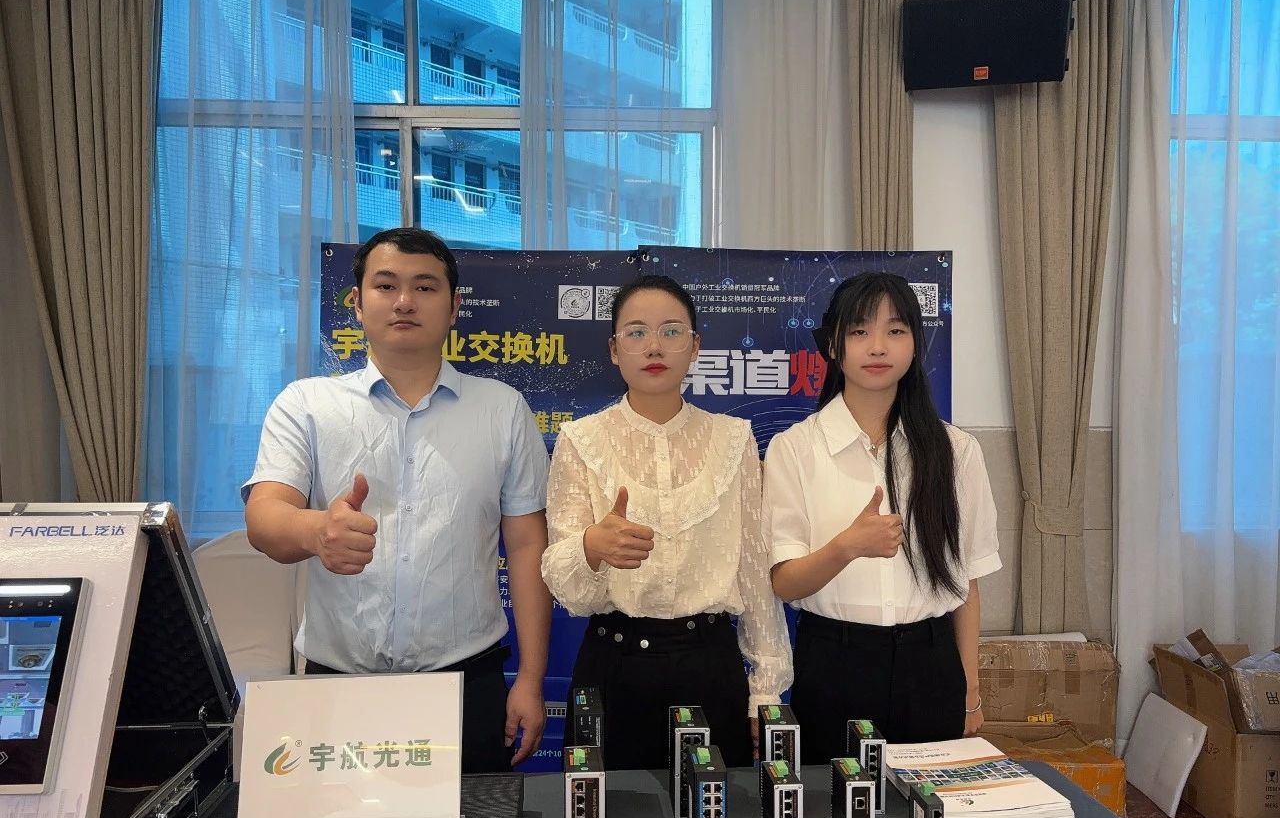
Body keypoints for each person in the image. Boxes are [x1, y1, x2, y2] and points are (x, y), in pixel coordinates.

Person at [242, 227, 553, 772]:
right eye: (386, 286)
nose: (405, 301)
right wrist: (316, 531)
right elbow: (264, 518)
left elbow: (528, 547)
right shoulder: (307, 404)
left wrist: (530, 679)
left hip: (468, 683)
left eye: (425, 287)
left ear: (454, 308)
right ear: (356, 304)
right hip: (337, 687)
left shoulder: (502, 409)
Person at [541, 274, 792, 769]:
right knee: (610, 811)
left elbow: (754, 571)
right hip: (614, 665)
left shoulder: (734, 440)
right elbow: (566, 586)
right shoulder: (580, 440)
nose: (654, 347)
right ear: (614, 350)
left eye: (671, 332)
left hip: (710, 663)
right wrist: (590, 547)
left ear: (695, 346)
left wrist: (765, 692)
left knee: (716, 812)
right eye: (636, 333)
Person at [764, 272, 1000, 761]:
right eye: (859, 331)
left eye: (895, 330)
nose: (877, 346)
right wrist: (846, 546)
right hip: (834, 664)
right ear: (833, 345)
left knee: (926, 805)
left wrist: (971, 691)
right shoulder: (795, 449)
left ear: (915, 344)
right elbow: (783, 584)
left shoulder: (956, 451)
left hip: (930, 667)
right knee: (836, 803)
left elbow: (967, 582)